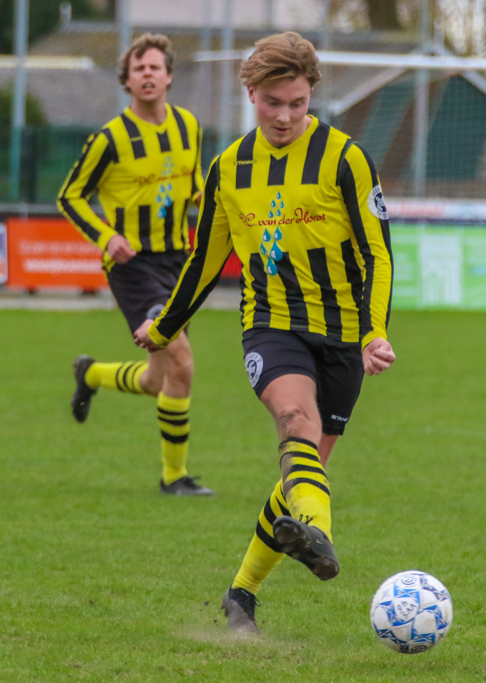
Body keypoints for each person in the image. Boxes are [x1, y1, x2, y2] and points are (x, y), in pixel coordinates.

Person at [134, 31, 396, 632]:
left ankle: (242, 594)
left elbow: (378, 253)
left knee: (302, 476)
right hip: (272, 324)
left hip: (343, 334)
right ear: (250, 93)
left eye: (297, 103)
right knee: (294, 421)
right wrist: (166, 325)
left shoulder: (346, 158)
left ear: (311, 97)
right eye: (273, 102)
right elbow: (205, 261)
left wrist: (374, 332)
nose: (284, 116)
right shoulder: (228, 169)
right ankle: (320, 537)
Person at [58, 33, 212, 496]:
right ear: (126, 80)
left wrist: (210, 203)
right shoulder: (109, 139)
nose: (147, 74)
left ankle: (91, 373)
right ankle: (174, 478)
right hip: (133, 266)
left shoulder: (188, 125)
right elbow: (69, 197)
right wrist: (107, 236)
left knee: (157, 379)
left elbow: (194, 182)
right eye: (138, 68)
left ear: (169, 76)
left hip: (179, 261)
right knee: (182, 361)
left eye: (154, 67)